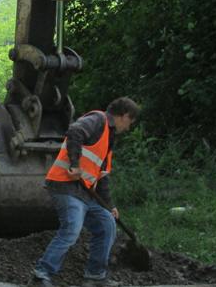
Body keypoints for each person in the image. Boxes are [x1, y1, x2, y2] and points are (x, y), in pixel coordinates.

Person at [32, 97, 140, 286]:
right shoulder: (98, 120)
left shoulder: (108, 138)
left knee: (107, 224)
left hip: (85, 192)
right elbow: (74, 131)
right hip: (64, 185)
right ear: (124, 116)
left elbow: (102, 177)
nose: (129, 128)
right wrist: (74, 164)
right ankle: (41, 275)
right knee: (72, 228)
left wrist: (110, 206)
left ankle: (95, 276)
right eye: (130, 122)